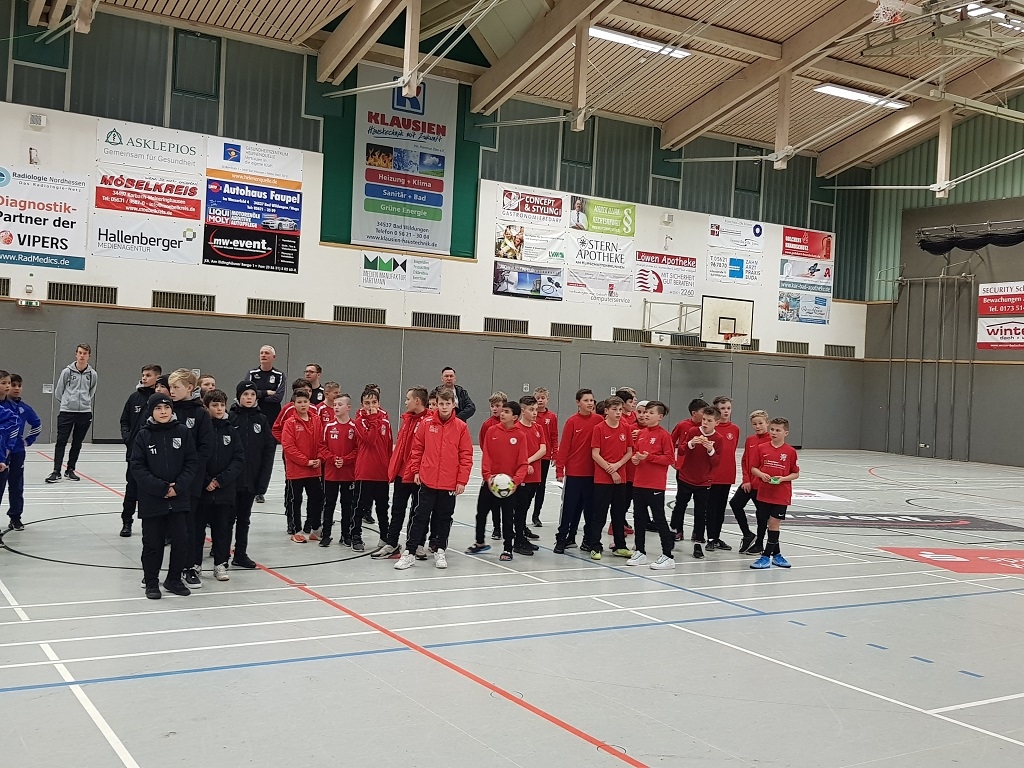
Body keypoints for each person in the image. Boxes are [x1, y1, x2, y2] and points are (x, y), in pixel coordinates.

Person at [395, 388, 473, 571]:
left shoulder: (461, 427)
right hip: (427, 480)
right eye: (441, 403)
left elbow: (466, 455)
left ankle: (440, 550)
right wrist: (416, 470)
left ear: (453, 405)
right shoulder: (426, 423)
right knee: (420, 516)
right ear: (436, 404)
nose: (444, 407)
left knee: (444, 518)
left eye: (448, 404)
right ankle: (410, 552)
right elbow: (417, 449)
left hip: (449, 483)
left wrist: (461, 481)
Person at [130, 393, 198, 599]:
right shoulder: (143, 435)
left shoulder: (183, 432)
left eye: (166, 407)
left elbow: (191, 462)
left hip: (179, 498)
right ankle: (152, 582)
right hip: (152, 499)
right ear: (151, 411)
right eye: (158, 408)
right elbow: (137, 467)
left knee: (181, 541)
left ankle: (174, 579)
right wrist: (161, 488)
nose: (163, 412)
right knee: (153, 543)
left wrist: (179, 487)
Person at [168, 369, 213, 588]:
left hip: (191, 480)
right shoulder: (167, 410)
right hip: (167, 479)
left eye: (176, 387)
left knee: (190, 525)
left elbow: (206, 447)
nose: (172, 391)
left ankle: (190, 567)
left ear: (189, 388)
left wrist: (188, 473)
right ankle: (162, 570)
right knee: (165, 527)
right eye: (170, 387)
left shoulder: (200, 414)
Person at [377, 387, 430, 559]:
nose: (405, 402)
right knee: (397, 510)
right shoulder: (407, 420)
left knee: (419, 512)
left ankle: (417, 544)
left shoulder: (429, 421)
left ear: (417, 401)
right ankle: (392, 543)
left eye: (408, 399)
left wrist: (419, 470)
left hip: (418, 475)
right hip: (402, 473)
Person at [198, 389, 244, 581]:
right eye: (214, 405)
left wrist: (220, 480)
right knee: (197, 529)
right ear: (206, 407)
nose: (219, 409)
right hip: (203, 491)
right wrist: (206, 480)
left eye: (222, 405)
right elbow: (195, 458)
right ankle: (195, 565)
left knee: (223, 529)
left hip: (225, 491)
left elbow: (238, 459)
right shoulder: (200, 431)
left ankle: (220, 563)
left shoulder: (231, 431)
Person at [228, 381, 274, 568]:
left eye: (252, 395)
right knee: (226, 519)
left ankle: (240, 554)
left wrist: (262, 481)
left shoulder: (261, 420)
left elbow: (268, 451)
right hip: (231, 481)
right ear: (239, 396)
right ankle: (221, 552)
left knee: (244, 519)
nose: (249, 398)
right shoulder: (230, 418)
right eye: (245, 394)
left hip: (251, 479)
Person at [476, 401, 528, 562]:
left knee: (507, 518)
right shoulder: (492, 431)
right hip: (490, 483)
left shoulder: (520, 436)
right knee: (481, 513)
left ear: (515, 417)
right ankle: (479, 542)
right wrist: (488, 477)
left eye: (506, 412)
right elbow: (486, 456)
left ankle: (507, 548)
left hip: (508, 486)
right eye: (502, 411)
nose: (502, 414)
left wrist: (515, 482)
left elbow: (523, 463)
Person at [627, 401, 676, 569]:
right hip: (639, 482)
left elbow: (669, 459)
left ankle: (668, 555)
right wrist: (635, 458)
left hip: (655, 484)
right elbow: (636, 453)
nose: (646, 415)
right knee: (639, 518)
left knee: (659, 518)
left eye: (651, 412)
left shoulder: (664, 436)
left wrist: (649, 457)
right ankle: (640, 551)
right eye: (645, 412)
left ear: (660, 417)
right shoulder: (641, 434)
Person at [585, 396, 633, 561]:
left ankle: (620, 546)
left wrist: (618, 465)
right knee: (599, 515)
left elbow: (629, 451)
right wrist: (610, 470)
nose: (618, 413)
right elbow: (595, 454)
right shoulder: (599, 428)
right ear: (606, 411)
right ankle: (595, 546)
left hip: (621, 478)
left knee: (619, 514)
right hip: (603, 479)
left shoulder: (625, 428)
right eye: (614, 409)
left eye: (620, 410)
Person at [749, 418, 800, 570]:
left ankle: (765, 556)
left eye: (778, 430)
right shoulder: (762, 448)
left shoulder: (790, 451)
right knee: (768, 524)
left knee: (774, 523)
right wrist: (761, 475)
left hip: (781, 494)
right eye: (772, 429)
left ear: (786, 433)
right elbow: (753, 468)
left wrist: (783, 478)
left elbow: (795, 473)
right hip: (764, 492)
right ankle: (777, 555)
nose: (774, 432)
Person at [553, 389, 598, 554]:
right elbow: (564, 447)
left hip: (593, 474)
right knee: (569, 508)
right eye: (586, 400)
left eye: (592, 400)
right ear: (578, 402)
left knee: (590, 510)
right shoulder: (572, 422)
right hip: (574, 473)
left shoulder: (599, 421)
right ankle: (562, 539)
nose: (590, 403)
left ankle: (588, 540)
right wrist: (560, 470)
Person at [118, 364, 161, 537]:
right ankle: (126, 522)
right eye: (143, 375)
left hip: (155, 455)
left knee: (153, 491)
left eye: (148, 375)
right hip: (134, 453)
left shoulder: (160, 400)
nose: (144, 378)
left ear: (157, 378)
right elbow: (124, 420)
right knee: (132, 489)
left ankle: (154, 526)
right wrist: (128, 438)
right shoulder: (134, 397)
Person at [676, 406, 723, 560]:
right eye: (704, 419)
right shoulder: (693, 431)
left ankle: (698, 544)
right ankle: (674, 532)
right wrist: (691, 443)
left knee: (700, 513)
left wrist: (710, 450)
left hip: (703, 481)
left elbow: (716, 462)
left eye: (709, 420)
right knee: (679, 507)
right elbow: (681, 450)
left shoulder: (718, 439)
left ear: (716, 423)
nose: (705, 423)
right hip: (686, 477)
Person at [47, 344, 98, 483]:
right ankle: (56, 471)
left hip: (84, 413)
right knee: (61, 442)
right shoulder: (67, 372)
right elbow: (59, 391)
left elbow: (91, 392)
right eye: (80, 353)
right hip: (67, 412)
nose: (82, 355)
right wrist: (67, 402)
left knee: (77, 443)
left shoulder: (92, 374)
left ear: (89, 356)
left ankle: (70, 470)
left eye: (85, 353)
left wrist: (84, 402)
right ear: (76, 354)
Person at [351, 384, 393, 552]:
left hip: (381, 472)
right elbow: (370, 439)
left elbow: (388, 445)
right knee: (359, 506)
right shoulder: (359, 422)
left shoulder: (385, 421)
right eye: (367, 403)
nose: (371, 406)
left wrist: (389, 468)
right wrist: (374, 419)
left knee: (383, 507)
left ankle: (385, 536)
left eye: (374, 402)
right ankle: (356, 536)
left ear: (379, 403)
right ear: (362, 405)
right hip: (365, 471)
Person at [281, 389, 324, 543]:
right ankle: (296, 530)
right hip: (296, 470)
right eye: (299, 402)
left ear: (309, 403)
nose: (303, 405)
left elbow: (322, 441)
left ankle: (315, 529)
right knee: (295, 500)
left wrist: (319, 458)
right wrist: (306, 461)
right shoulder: (290, 423)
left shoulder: (316, 420)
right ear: (294, 404)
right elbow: (289, 447)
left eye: (305, 402)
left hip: (314, 470)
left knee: (317, 498)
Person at [2, 374, 41, 532]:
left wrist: (27, 441)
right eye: (12, 385)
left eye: (19, 385)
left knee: (16, 485)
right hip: (2, 452)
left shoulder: (22, 408)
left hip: (17, 451)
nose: (16, 388)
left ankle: (15, 517)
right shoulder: (5, 407)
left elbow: (37, 424)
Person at [320, 394, 358, 548]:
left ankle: (346, 535)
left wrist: (345, 460)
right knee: (329, 504)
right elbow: (322, 447)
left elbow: (357, 449)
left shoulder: (354, 427)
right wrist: (333, 459)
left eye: (340, 404)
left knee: (347, 505)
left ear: (348, 407)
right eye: (335, 405)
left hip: (348, 474)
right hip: (331, 473)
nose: (336, 407)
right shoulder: (328, 426)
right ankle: (326, 535)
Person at [732, 409, 771, 555]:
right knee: (735, 504)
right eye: (754, 424)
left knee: (762, 515)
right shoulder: (750, 440)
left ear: (767, 423)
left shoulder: (771, 440)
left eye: (760, 423)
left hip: (762, 485)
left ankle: (759, 543)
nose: (757, 426)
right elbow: (745, 461)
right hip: (749, 483)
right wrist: (746, 480)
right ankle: (747, 534)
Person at [670, 398, 709, 538]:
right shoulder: (683, 425)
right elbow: (670, 441)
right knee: (681, 503)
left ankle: (698, 533)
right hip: (683, 470)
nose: (705, 416)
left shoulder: (708, 428)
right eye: (703, 412)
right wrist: (672, 460)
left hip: (702, 472)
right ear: (694, 413)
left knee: (701, 506)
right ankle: (676, 530)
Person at [707, 396, 740, 552]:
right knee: (711, 508)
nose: (726, 411)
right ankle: (709, 538)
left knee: (721, 509)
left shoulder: (735, 429)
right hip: (712, 475)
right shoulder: (711, 429)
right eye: (722, 408)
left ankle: (716, 537)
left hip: (727, 474)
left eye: (728, 408)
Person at [514, 395, 546, 554]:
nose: (535, 413)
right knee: (519, 509)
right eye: (531, 410)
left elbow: (543, 449)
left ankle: (522, 537)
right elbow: (513, 452)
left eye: (536, 410)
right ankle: (518, 541)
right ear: (523, 411)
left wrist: (528, 461)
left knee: (526, 507)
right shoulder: (516, 429)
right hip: (522, 477)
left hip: (535, 475)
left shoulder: (538, 428)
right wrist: (524, 465)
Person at [477, 392, 506, 540]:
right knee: (494, 500)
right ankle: (496, 528)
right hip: (493, 469)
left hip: (508, 468)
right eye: (492, 406)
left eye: (498, 406)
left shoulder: (511, 424)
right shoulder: (487, 425)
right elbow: (484, 445)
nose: (495, 409)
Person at [532, 387, 558, 529]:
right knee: (528, 487)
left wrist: (555, 453)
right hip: (531, 456)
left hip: (545, 456)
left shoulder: (551, 417)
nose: (540, 400)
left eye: (543, 398)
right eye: (538, 398)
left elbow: (554, 435)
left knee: (541, 486)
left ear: (547, 399)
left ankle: (536, 515)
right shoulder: (531, 415)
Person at [248, 345, 286, 425]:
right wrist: (266, 392)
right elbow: (247, 394)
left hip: (273, 414)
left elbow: (278, 397)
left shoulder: (279, 375)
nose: (263, 355)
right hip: (254, 413)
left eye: (267, 353)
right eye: (261, 353)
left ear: (273, 357)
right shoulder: (252, 373)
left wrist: (259, 397)